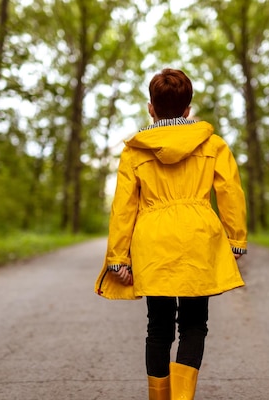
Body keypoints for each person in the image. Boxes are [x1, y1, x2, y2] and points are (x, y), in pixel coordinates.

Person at [94, 68, 247, 400]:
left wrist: (118, 258)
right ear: (187, 110)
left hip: (153, 241)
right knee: (194, 324)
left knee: (158, 327)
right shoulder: (213, 145)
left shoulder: (135, 151)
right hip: (198, 238)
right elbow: (231, 192)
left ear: (151, 107)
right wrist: (236, 239)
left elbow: (123, 208)